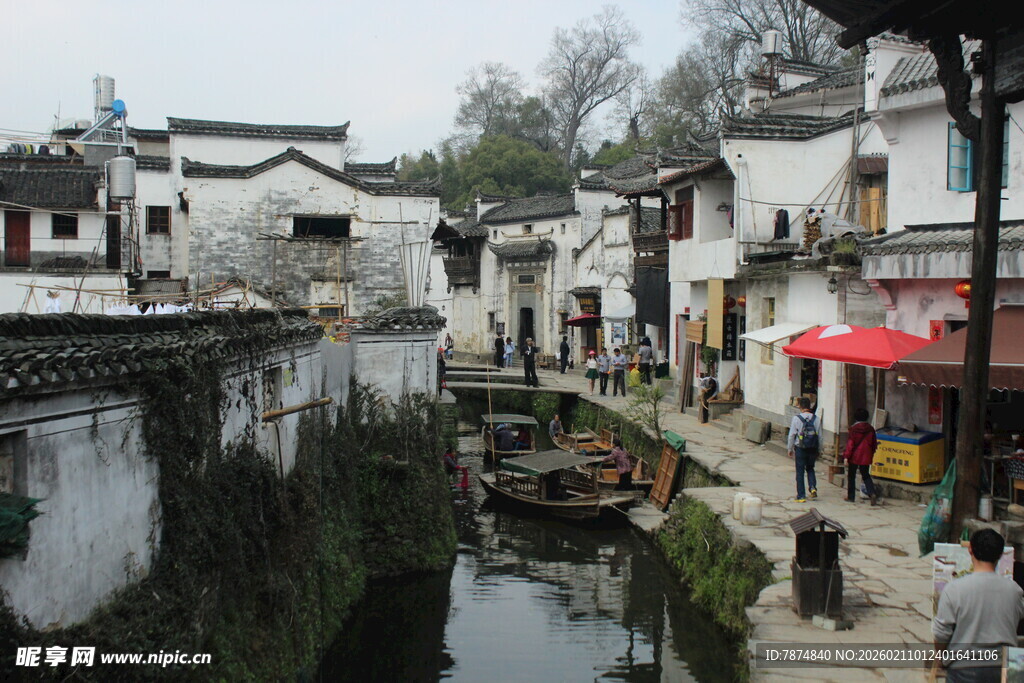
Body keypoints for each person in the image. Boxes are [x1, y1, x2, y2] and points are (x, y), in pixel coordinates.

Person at [933, 528, 1024, 683]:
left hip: (963, 669)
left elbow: (941, 634)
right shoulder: (1014, 591)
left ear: (970, 550)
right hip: (1003, 668)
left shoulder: (954, 589)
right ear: (1000, 554)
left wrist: (940, 657)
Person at [787, 397, 820, 502]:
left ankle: (801, 496)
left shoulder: (796, 419)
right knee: (810, 468)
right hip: (813, 448)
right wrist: (819, 449)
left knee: (800, 472)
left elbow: (792, 435)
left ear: (800, 406)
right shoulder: (816, 419)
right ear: (809, 406)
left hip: (800, 448)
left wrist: (789, 448)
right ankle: (813, 487)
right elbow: (820, 436)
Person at [844, 407, 878, 505]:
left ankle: (851, 497)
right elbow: (874, 444)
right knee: (866, 475)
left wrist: (846, 456)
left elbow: (850, 444)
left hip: (854, 456)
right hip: (866, 455)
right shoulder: (871, 429)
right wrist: (871, 454)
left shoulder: (853, 429)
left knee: (851, 476)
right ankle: (871, 493)